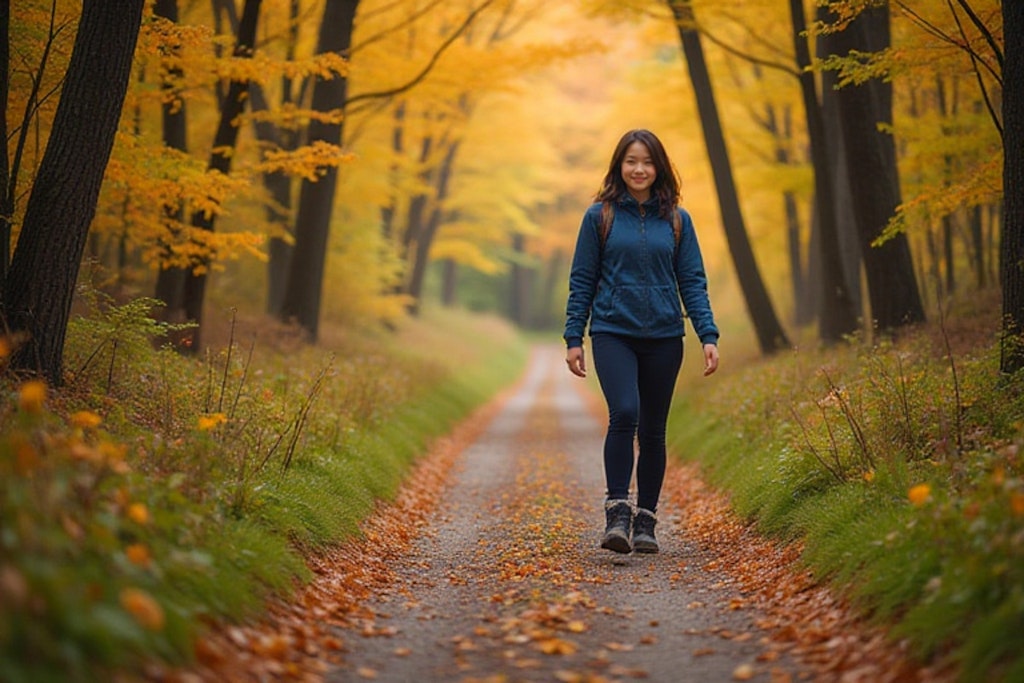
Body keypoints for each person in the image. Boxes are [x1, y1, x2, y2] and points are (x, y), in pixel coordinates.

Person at [563, 128, 719, 555]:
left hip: (666, 336)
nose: (639, 169)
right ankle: (618, 511)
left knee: (653, 430)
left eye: (647, 162)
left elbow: (692, 281)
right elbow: (582, 280)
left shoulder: (677, 220)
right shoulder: (600, 217)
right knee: (625, 413)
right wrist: (574, 335)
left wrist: (707, 334)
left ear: (659, 168)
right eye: (631, 161)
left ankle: (646, 521)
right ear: (619, 165)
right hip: (613, 330)